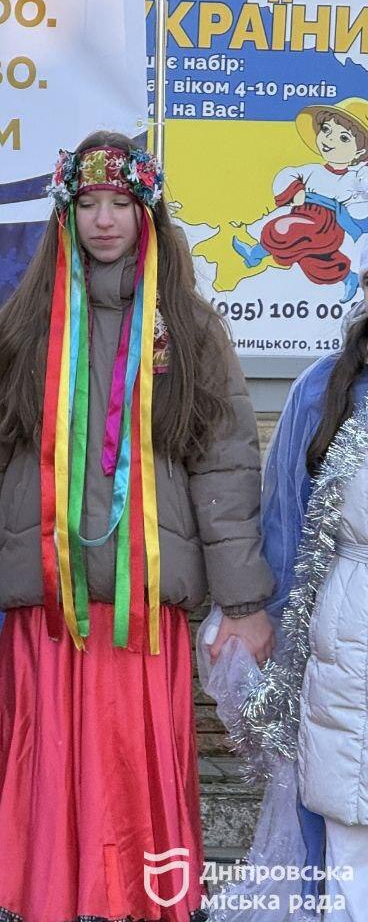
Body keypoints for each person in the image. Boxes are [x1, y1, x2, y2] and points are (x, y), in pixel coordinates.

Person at [0, 132, 275, 922]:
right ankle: (35, 898)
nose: (106, 220)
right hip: (49, 607)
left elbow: (224, 467)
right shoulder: (21, 327)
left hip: (143, 610)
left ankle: (133, 904)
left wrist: (245, 603)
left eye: (122, 203)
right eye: (89, 205)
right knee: (44, 760)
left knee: (131, 765)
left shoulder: (189, 329)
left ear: (148, 213)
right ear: (66, 214)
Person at [229, 253, 368, 919]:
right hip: (348, 645)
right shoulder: (325, 390)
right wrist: (268, 624)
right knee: (346, 823)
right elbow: (285, 531)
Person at [233, 97, 368, 302]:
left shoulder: (353, 178)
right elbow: (288, 174)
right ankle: (348, 278)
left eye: (343, 138)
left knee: (281, 229)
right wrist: (295, 191)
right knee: (313, 261)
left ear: (360, 151)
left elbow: (359, 205)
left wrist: (351, 213)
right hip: (304, 215)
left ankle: (256, 253)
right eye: (325, 130)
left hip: (326, 225)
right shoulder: (312, 170)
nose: (330, 140)